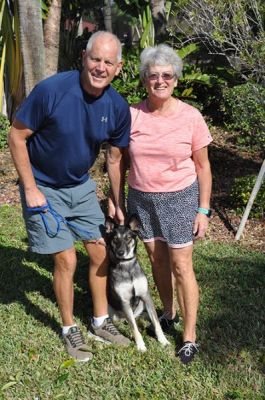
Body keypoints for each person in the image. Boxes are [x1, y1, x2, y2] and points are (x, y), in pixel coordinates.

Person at [8, 31, 131, 362]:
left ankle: (100, 322)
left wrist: (116, 201)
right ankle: (68, 329)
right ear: (83, 57)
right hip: (44, 187)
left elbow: (115, 158)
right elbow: (16, 136)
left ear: (118, 68)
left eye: (108, 62)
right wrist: (30, 188)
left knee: (102, 253)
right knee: (67, 259)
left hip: (80, 187)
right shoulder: (53, 90)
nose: (100, 67)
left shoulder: (117, 107)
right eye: (95, 59)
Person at [125, 44, 212, 364]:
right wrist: (116, 200)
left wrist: (203, 209)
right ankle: (169, 312)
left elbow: (203, 166)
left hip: (180, 198)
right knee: (156, 260)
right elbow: (116, 159)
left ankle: (189, 336)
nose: (159, 81)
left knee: (180, 265)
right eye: (152, 76)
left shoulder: (190, 117)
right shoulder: (131, 113)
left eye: (166, 75)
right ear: (144, 80)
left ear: (175, 79)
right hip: (141, 199)